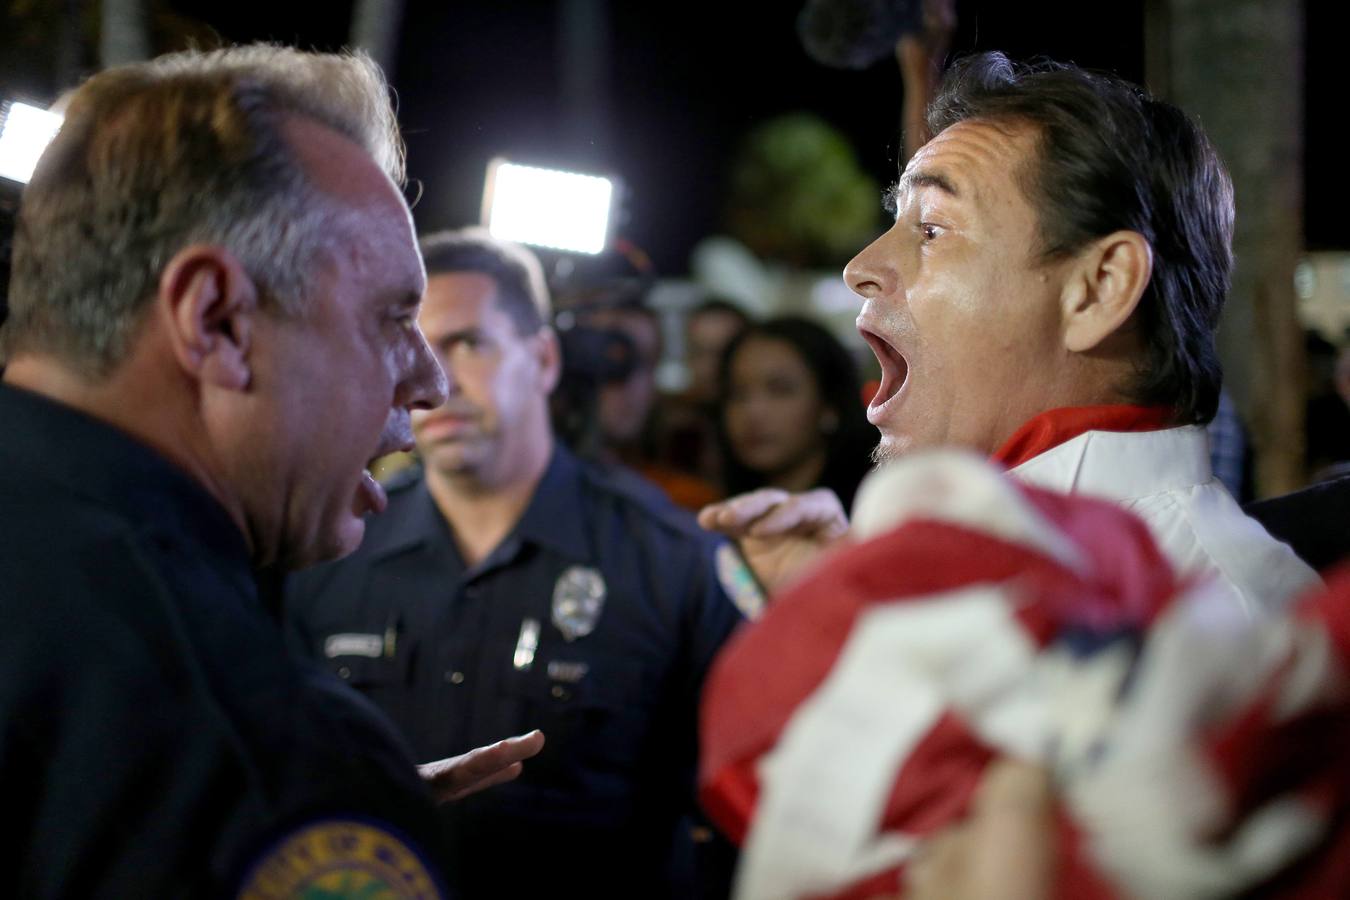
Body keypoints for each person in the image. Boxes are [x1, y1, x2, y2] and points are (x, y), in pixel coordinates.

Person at [0, 45, 545, 897]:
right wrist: (305, 796)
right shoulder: (248, 746)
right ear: (214, 319)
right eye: (393, 316)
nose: (432, 380)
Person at [699, 52, 1319, 612]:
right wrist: (841, 609)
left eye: (933, 228)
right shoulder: (961, 556)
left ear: (1099, 288)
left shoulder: (1218, 619)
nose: (859, 269)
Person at [284, 228, 754, 898]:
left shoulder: (671, 560)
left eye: (469, 343)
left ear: (542, 360)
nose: (434, 381)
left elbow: (738, 813)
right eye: (409, 346)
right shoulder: (332, 552)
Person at [719, 316, 875, 512]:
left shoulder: (874, 508)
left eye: (780, 390)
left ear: (830, 405)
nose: (753, 412)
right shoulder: (715, 512)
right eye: (737, 394)